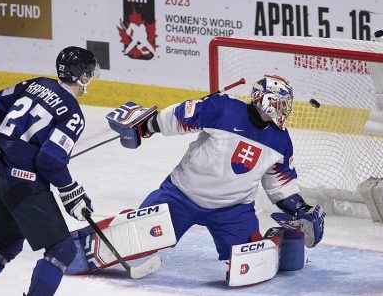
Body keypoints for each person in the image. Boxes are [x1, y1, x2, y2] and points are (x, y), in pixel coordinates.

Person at [66, 75, 326, 284]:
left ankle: (281, 240)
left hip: (233, 211)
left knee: (249, 264)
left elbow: (281, 184)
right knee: (137, 237)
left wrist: (299, 209)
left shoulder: (281, 140)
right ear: (262, 99)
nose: (284, 110)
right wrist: (149, 125)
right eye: (280, 103)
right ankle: (72, 250)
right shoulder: (223, 108)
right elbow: (182, 115)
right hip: (180, 196)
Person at [0, 46, 99, 296]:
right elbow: (50, 159)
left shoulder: (36, 84)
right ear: (81, 76)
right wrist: (71, 190)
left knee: (5, 243)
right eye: (88, 74)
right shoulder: (73, 113)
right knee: (62, 249)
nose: (89, 79)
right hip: (24, 186)